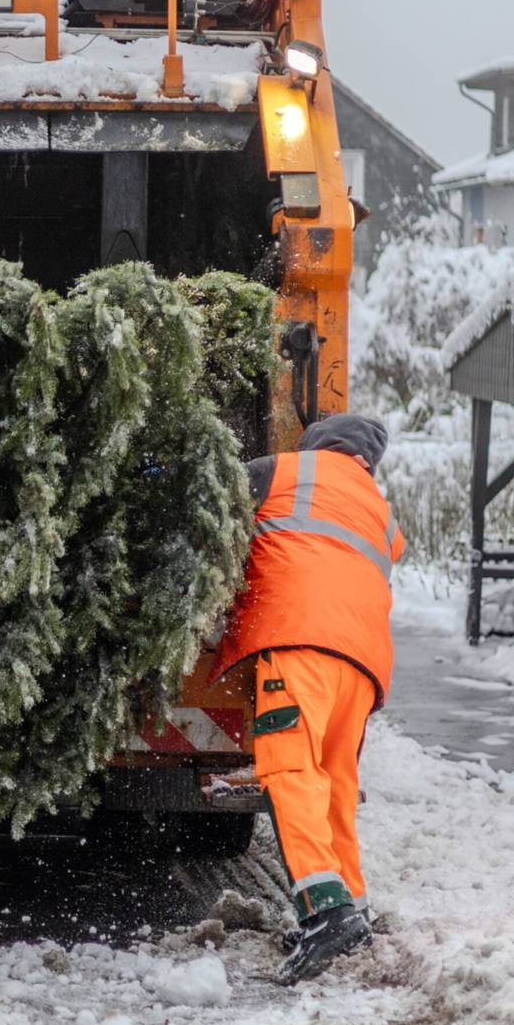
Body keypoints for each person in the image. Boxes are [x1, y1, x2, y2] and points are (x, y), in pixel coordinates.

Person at [215, 413, 403, 986]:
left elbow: (211, 491)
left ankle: (325, 912)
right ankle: (353, 905)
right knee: (334, 781)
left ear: (316, 446)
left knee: (290, 769)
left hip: (300, 643)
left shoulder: (283, 472)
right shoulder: (381, 509)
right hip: (363, 665)